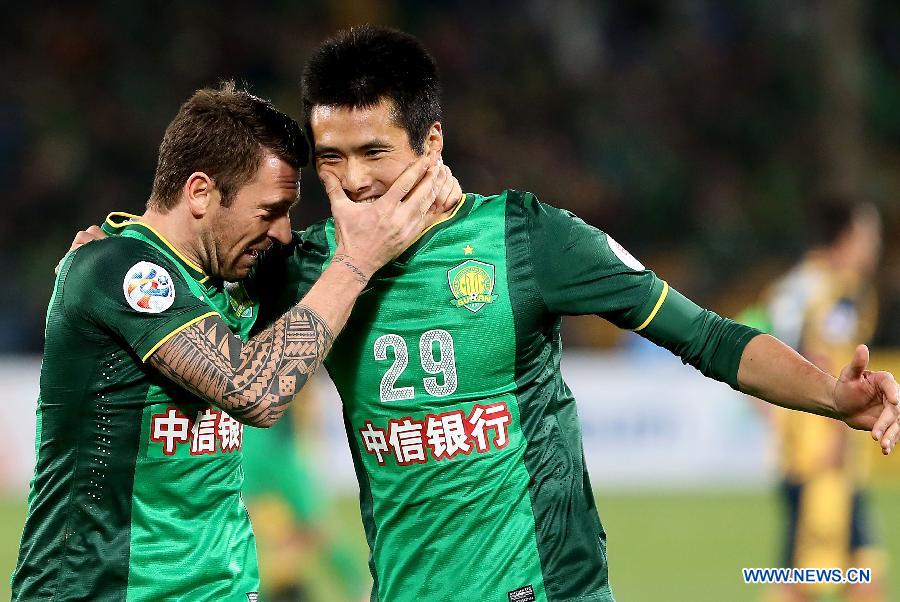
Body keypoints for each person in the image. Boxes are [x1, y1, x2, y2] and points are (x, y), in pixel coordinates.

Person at [66, 28, 900, 602]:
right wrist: (119, 257)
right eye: (330, 159)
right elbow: (188, 294)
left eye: (374, 154)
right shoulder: (310, 267)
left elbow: (707, 336)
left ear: (431, 144)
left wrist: (833, 396)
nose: (352, 182)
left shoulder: (531, 238)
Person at [12, 81, 457, 601]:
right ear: (200, 192)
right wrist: (355, 261)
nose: (285, 232)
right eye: (269, 210)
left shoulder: (232, 278)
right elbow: (255, 391)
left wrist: (432, 193)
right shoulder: (117, 270)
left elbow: (378, 229)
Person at [741, 201, 886, 602]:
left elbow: (750, 333)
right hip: (819, 460)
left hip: (827, 458)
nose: (876, 246)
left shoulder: (823, 288)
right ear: (849, 237)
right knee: (806, 581)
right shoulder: (823, 291)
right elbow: (755, 341)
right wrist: (793, 425)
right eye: (870, 235)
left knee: (863, 571)